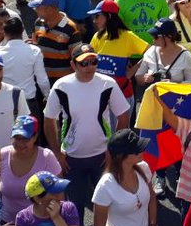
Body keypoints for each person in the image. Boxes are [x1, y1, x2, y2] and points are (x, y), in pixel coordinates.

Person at [43, 49, 131, 214]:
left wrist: (113, 150)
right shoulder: (61, 86)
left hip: (103, 157)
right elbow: (49, 120)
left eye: (93, 62)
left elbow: (123, 116)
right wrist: (57, 154)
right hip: (71, 160)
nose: (89, 67)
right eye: (84, 63)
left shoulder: (108, 83)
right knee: (74, 210)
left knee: (108, 208)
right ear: (73, 65)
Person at [0, 114, 62, 222]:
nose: (20, 143)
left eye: (25, 139)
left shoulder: (47, 157)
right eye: (16, 138)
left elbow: (59, 193)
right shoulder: (3, 154)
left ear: (35, 137)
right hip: (8, 224)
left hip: (38, 224)